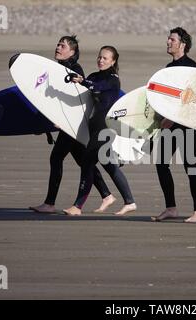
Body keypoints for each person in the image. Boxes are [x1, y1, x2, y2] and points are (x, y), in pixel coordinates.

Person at [29, 36, 116, 214]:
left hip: (71, 124)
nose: (58, 48)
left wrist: (62, 120)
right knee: (83, 159)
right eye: (58, 44)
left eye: (63, 46)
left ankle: (50, 203)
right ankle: (106, 194)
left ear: (72, 52)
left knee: (56, 158)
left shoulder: (74, 71)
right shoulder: (56, 69)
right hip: (67, 124)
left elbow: (77, 101)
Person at [63, 46, 137, 216]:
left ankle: (77, 206)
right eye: (99, 57)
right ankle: (130, 201)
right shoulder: (94, 76)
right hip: (94, 127)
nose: (101, 60)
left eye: (105, 58)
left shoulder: (113, 79)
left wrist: (82, 81)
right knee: (109, 165)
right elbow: (82, 99)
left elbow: (96, 87)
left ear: (113, 61)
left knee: (87, 162)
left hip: (106, 128)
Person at [151, 27, 196, 223]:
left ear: (183, 44)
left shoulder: (191, 67)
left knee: (191, 166)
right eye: (168, 38)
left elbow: (190, 98)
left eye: (172, 39)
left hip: (187, 123)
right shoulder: (168, 68)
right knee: (161, 163)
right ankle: (171, 208)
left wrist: (171, 119)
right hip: (169, 124)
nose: (168, 42)